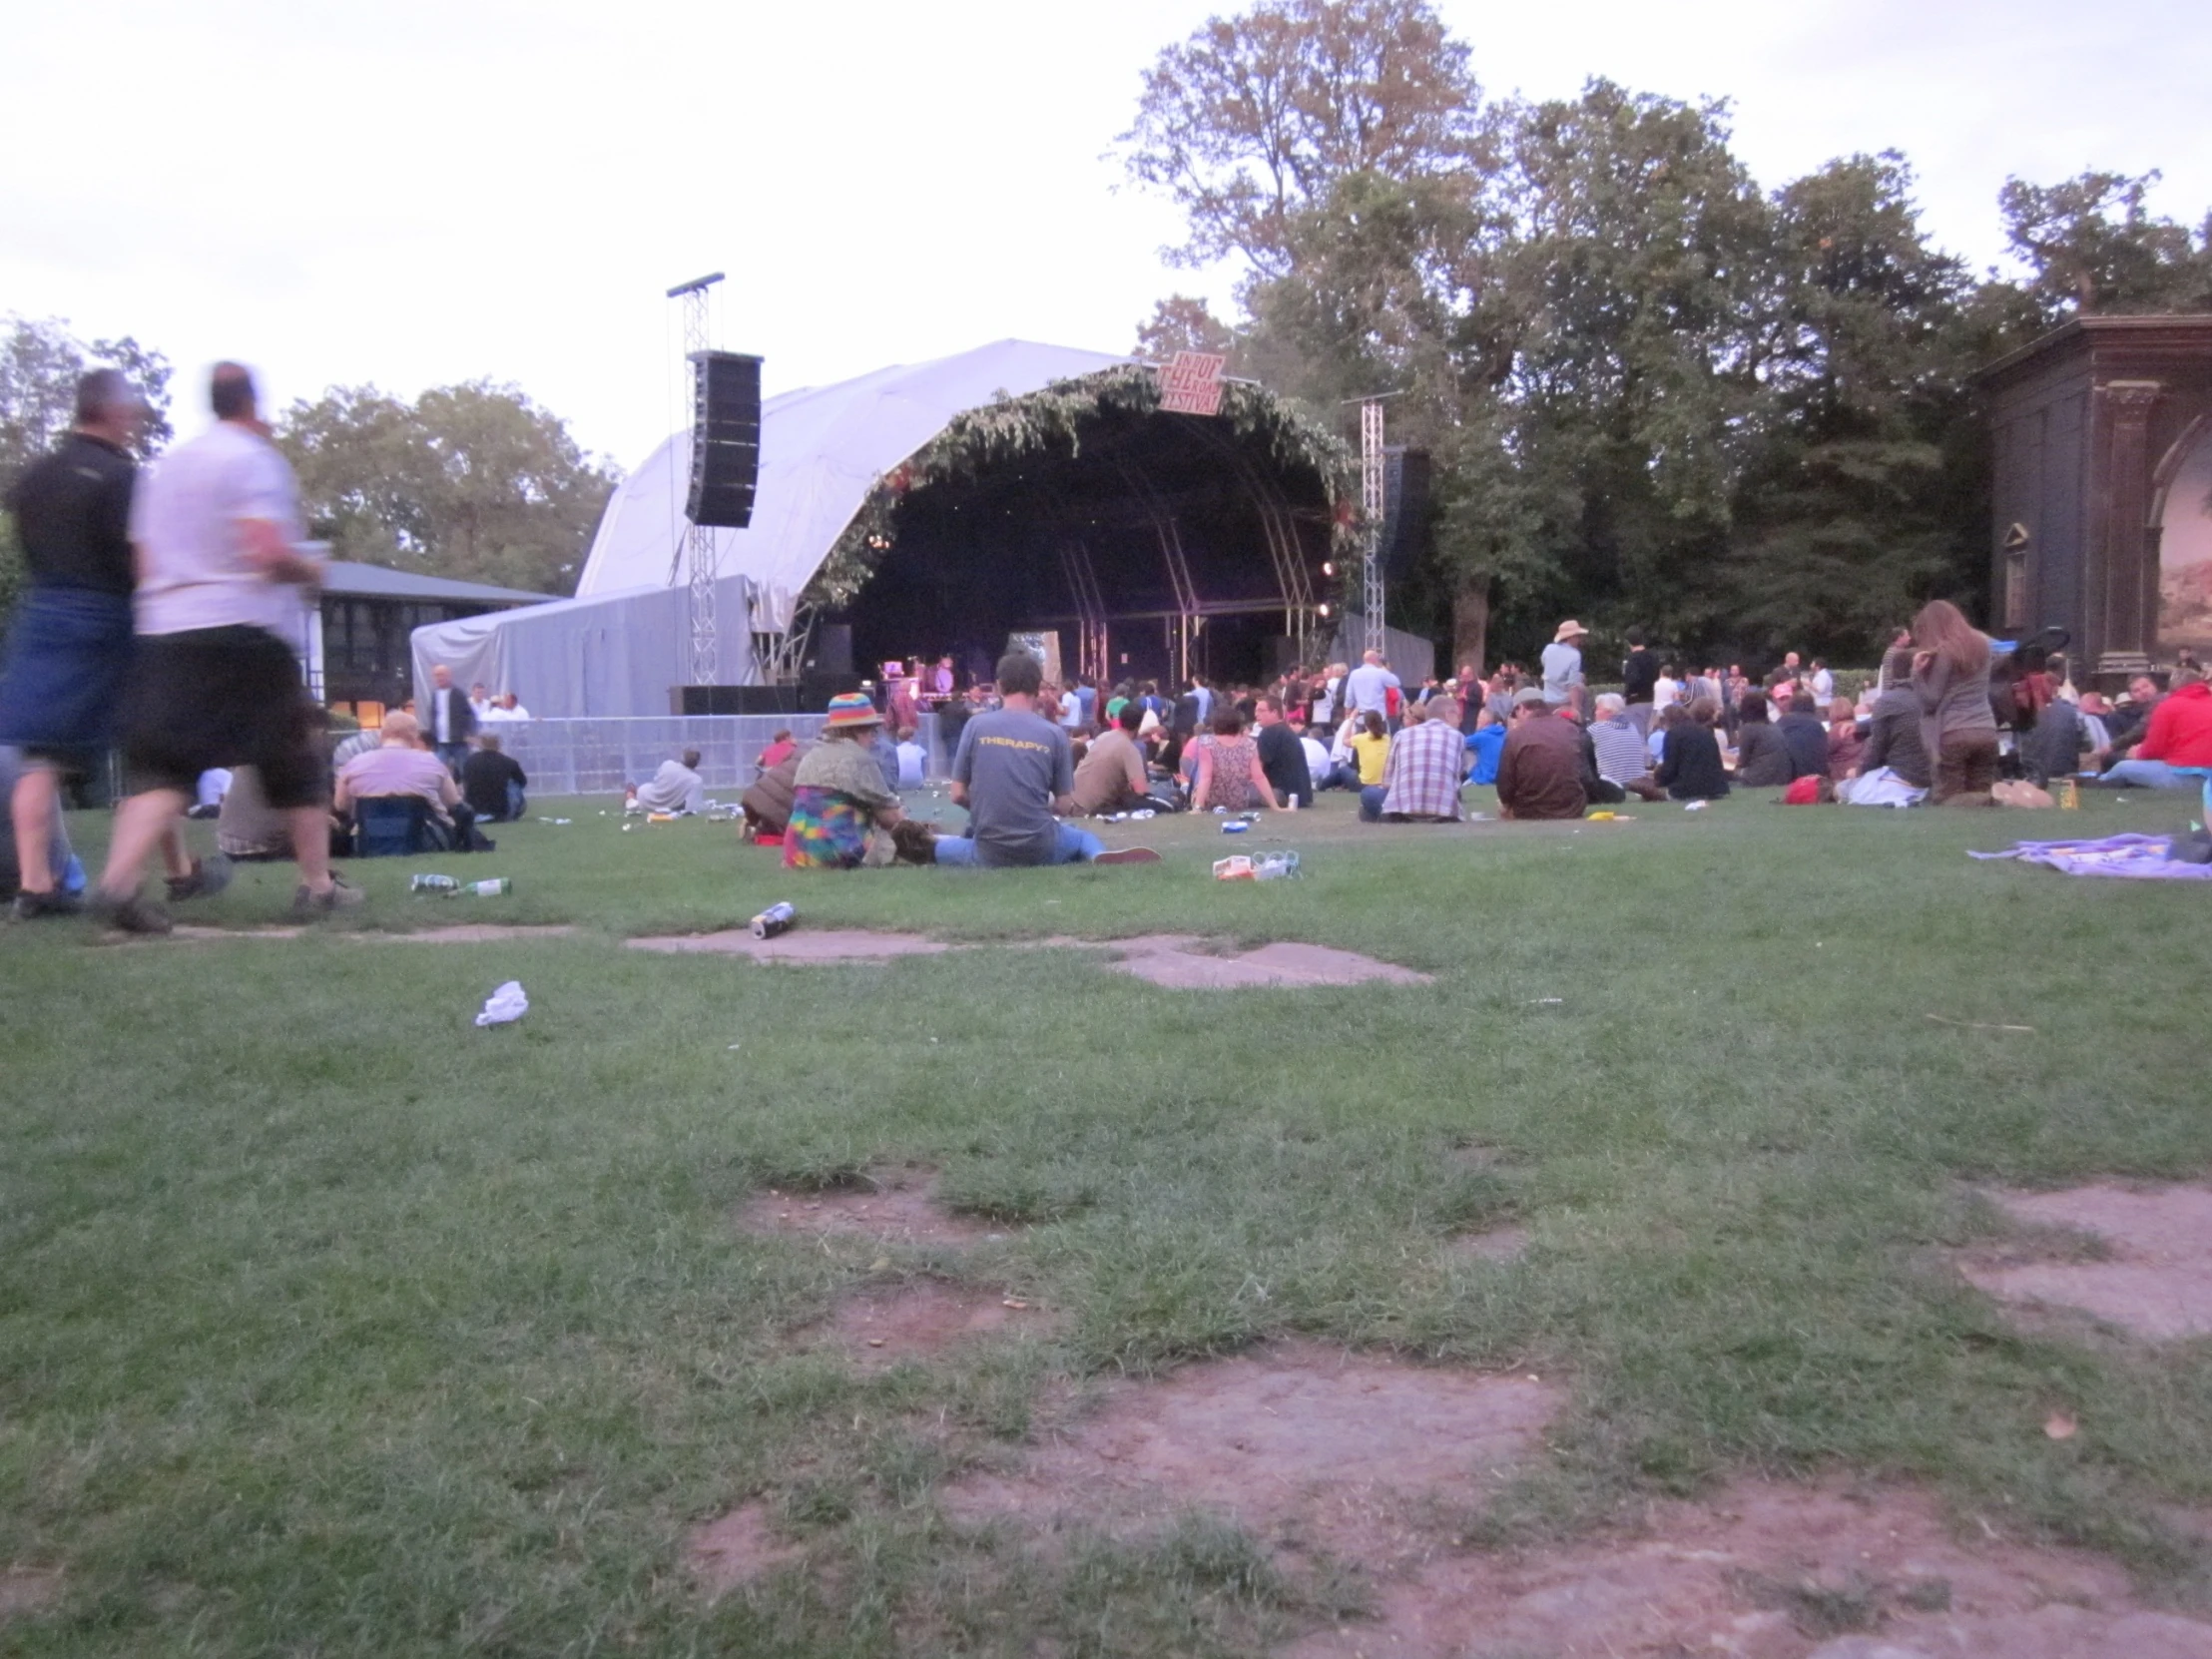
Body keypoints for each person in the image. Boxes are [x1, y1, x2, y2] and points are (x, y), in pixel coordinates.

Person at [93, 362, 358, 932]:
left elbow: (141, 561)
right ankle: (317, 886)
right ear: (252, 405)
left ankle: (118, 881)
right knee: (293, 754)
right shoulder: (252, 458)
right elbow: (264, 550)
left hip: (165, 631)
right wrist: (309, 566)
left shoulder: (167, 468)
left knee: (165, 766)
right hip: (243, 628)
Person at [0, 369, 210, 917]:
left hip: (44, 610)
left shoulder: (36, 477)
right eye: (132, 410)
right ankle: (155, 878)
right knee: (153, 751)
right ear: (113, 412)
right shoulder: (123, 478)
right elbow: (143, 559)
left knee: (39, 758)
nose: (137, 418)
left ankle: (35, 886)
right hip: (108, 615)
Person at [935, 650, 1157, 867]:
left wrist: (989, 813)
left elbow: (957, 795)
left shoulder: (976, 726)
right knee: (1080, 837)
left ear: (999, 686)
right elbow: (1063, 804)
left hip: (989, 849)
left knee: (944, 846)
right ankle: (1095, 854)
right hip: (1040, 846)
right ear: (1037, 688)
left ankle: (918, 848)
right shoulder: (1054, 734)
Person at [784, 694, 912, 868]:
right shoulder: (860, 759)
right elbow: (891, 818)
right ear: (858, 730)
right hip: (838, 855)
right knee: (892, 828)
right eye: (871, 731)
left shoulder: (810, 756)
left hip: (796, 855)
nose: (873, 738)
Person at [334, 710, 473, 845]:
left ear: (382, 734)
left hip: (367, 840)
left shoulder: (355, 763)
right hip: (424, 839)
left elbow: (340, 805)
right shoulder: (431, 762)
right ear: (414, 737)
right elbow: (454, 803)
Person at [1910, 599, 1999, 806]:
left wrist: (1916, 674)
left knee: (1948, 799)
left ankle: (1988, 806)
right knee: (1980, 795)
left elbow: (1931, 700)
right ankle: (1987, 812)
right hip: (1987, 730)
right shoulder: (1984, 645)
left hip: (1954, 732)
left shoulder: (1945, 653)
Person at [2099, 668, 2212, 789]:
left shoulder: (2168, 706)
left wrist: (2138, 753)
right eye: (2137, 690)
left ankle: (2099, 782)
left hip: (2189, 775)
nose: (2143, 692)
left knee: (2122, 767)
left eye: (2145, 686)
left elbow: (2154, 748)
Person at [1364, 698, 1464, 822]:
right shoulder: (1458, 737)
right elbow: (1456, 779)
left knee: (1368, 793)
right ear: (1448, 715)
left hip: (1403, 812)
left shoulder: (1401, 735)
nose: (1460, 721)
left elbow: (1387, 782)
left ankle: (1379, 815)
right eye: (1459, 716)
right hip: (1444, 813)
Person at [1496, 688, 1588, 820]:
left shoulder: (1515, 736)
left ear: (1521, 708)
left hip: (1529, 810)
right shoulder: (1571, 729)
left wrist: (1507, 804)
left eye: (1514, 714)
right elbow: (1583, 773)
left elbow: (1505, 785)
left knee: (1503, 807)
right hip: (1573, 808)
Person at [1069, 703, 1161, 817]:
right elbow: (1141, 792)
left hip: (1070, 798)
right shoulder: (1130, 750)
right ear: (1139, 725)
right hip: (1088, 808)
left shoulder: (1103, 736)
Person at [1191, 706, 1280, 814]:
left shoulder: (1206, 743)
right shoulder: (1249, 744)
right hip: (1237, 802)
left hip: (1210, 801)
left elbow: (1206, 777)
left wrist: (1198, 807)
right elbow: (1259, 777)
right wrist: (1275, 806)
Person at [1586, 693, 1665, 801]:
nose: (1595, 713)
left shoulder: (1595, 729)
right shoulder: (1632, 727)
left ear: (1608, 711)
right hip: (1639, 784)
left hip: (1612, 784)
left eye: (1597, 709)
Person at [1657, 701, 1731, 802]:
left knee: (1638, 784)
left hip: (1686, 790)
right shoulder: (1705, 731)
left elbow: (1669, 770)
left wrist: (1658, 778)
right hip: (1715, 788)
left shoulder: (1673, 734)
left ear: (1666, 721)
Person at [1252, 695, 1313, 808]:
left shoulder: (1268, 733)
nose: (1256, 714)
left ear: (1274, 712)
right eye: (1255, 711)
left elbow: (1257, 770)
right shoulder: (1288, 732)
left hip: (1281, 794)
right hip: (1302, 796)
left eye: (1261, 711)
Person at [460, 732, 528, 822]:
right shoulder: (509, 762)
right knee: (513, 783)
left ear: (482, 743)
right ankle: (511, 813)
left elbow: (465, 781)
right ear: (499, 744)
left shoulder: (470, 761)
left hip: (475, 810)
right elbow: (522, 782)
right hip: (501, 812)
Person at [422, 663, 477, 773]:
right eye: (436, 675)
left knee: (464, 771)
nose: (439, 678)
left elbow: (469, 715)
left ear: (449, 676)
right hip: (440, 742)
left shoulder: (458, 693)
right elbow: (433, 715)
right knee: (437, 771)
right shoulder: (435, 694)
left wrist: (470, 733)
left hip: (459, 742)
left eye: (441, 675)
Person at [1732, 691, 1792, 787]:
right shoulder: (1773, 725)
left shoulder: (1748, 728)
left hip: (1760, 777)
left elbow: (1743, 761)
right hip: (1782, 776)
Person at [1775, 690, 1831, 781]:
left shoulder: (1782, 721)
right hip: (1815, 777)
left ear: (1792, 705)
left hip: (1788, 777)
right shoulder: (1818, 726)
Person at [633, 749, 705, 815]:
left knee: (635, 787)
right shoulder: (696, 780)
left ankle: (630, 799)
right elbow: (691, 807)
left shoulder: (668, 764)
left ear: (682, 757)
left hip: (646, 802)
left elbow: (656, 781)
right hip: (670, 808)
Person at [1540, 620, 1588, 714]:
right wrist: (1576, 710)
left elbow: (1545, 665)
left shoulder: (1549, 648)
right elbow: (1573, 685)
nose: (1579, 640)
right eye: (1578, 636)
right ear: (1571, 637)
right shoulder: (1574, 655)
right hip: (1564, 703)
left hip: (1547, 700)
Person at [1620, 628, 1659, 734]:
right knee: (1649, 733)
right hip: (1651, 699)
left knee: (1637, 734)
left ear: (1628, 642)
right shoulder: (1653, 656)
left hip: (1636, 700)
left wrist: (1627, 694)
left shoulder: (1633, 658)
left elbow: (1633, 679)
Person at [1344, 649, 1398, 719]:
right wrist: (1383, 668)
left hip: (1361, 715)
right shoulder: (1381, 673)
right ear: (1375, 660)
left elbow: (1349, 694)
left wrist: (1348, 710)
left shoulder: (1354, 673)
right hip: (1378, 715)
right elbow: (1396, 682)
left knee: (1361, 729)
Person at [1826, 698, 1866, 781]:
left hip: (1842, 776)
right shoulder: (1859, 727)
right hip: (1860, 772)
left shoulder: (1836, 730)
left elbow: (1825, 751)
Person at [1349, 710, 1390, 789]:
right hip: (1383, 783)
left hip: (1364, 783)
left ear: (1366, 724)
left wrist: (1351, 719)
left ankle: (1320, 785)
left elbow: (1344, 740)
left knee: (1343, 771)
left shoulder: (1360, 738)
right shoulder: (1387, 738)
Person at [1464, 708, 1506, 786]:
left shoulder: (1482, 736)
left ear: (1484, 720)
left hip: (1483, 780)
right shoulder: (1505, 735)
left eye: (1479, 717)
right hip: (1501, 781)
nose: (1477, 720)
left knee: (1464, 751)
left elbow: (1458, 742)